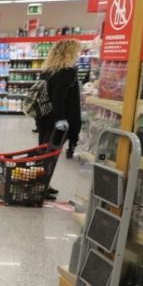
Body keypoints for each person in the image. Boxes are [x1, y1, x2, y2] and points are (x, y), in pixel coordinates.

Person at [37, 39, 83, 196]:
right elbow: (58, 97)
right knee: (51, 154)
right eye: (76, 52)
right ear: (69, 53)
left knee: (44, 152)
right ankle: (41, 186)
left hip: (44, 118)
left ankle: (41, 183)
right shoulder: (67, 72)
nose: (77, 55)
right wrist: (61, 120)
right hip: (58, 121)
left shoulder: (49, 70)